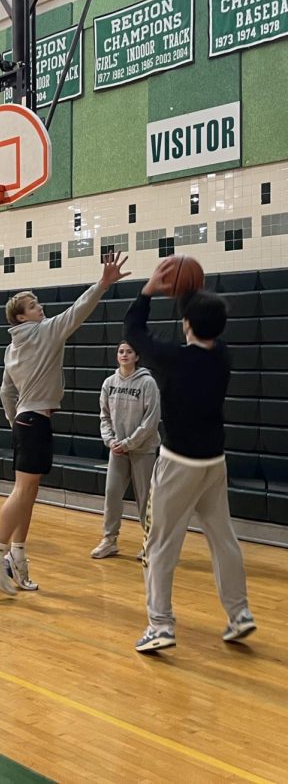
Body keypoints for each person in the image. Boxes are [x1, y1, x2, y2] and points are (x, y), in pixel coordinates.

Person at [0, 251, 130, 596]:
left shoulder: (11, 348)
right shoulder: (44, 332)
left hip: (28, 421)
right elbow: (78, 311)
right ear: (20, 316)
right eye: (34, 305)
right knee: (22, 492)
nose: (40, 308)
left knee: (28, 494)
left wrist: (16, 421)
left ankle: (17, 556)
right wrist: (103, 283)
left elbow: (4, 392)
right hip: (35, 420)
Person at [124, 258, 256, 653]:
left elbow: (133, 330)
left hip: (178, 464)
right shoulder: (223, 356)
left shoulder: (174, 360)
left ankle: (160, 624)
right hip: (214, 463)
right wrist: (191, 296)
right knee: (223, 539)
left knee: (160, 545)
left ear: (186, 325)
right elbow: (202, 320)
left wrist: (148, 290)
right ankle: (240, 614)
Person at [91, 341, 160, 560]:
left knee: (145, 499)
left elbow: (151, 420)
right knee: (112, 494)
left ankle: (151, 544)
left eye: (129, 351)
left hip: (143, 450)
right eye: (121, 351)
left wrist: (129, 442)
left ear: (136, 356)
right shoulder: (109, 383)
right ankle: (109, 540)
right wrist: (110, 440)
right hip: (117, 450)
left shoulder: (148, 383)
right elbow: (104, 415)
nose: (124, 355)